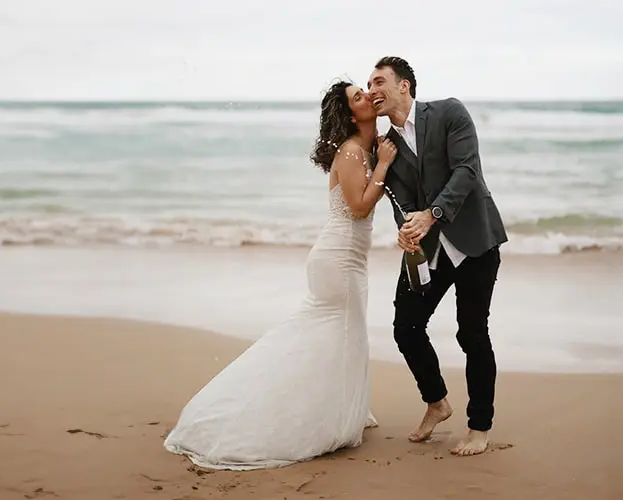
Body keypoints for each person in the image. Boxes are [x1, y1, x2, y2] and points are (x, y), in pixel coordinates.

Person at [162, 81, 398, 470]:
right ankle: (304, 416)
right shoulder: (354, 152)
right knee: (334, 333)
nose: (366, 97)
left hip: (346, 258)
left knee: (343, 335)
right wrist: (385, 166)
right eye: (357, 97)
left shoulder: (368, 148)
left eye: (364, 92)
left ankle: (339, 409)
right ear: (350, 114)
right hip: (338, 259)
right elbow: (358, 208)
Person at [367, 56, 508, 457]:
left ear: (404, 86)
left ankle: (479, 427)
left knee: (471, 333)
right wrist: (406, 227)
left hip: (476, 243)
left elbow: (467, 171)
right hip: (427, 249)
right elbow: (400, 200)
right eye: (369, 84)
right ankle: (437, 402)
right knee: (406, 327)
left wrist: (431, 215)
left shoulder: (449, 112)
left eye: (380, 82)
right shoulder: (387, 147)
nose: (372, 90)